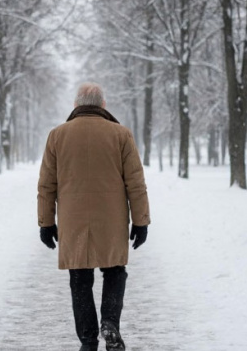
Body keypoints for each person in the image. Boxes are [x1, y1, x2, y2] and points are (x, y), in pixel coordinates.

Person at [37, 82, 151, 351]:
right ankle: (110, 323)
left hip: (73, 220)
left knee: (80, 277)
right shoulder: (121, 135)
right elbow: (135, 182)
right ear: (103, 106)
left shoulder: (57, 135)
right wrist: (141, 221)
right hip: (111, 219)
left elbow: (46, 184)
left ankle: (88, 340)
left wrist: (46, 222)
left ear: (76, 106)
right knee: (114, 271)